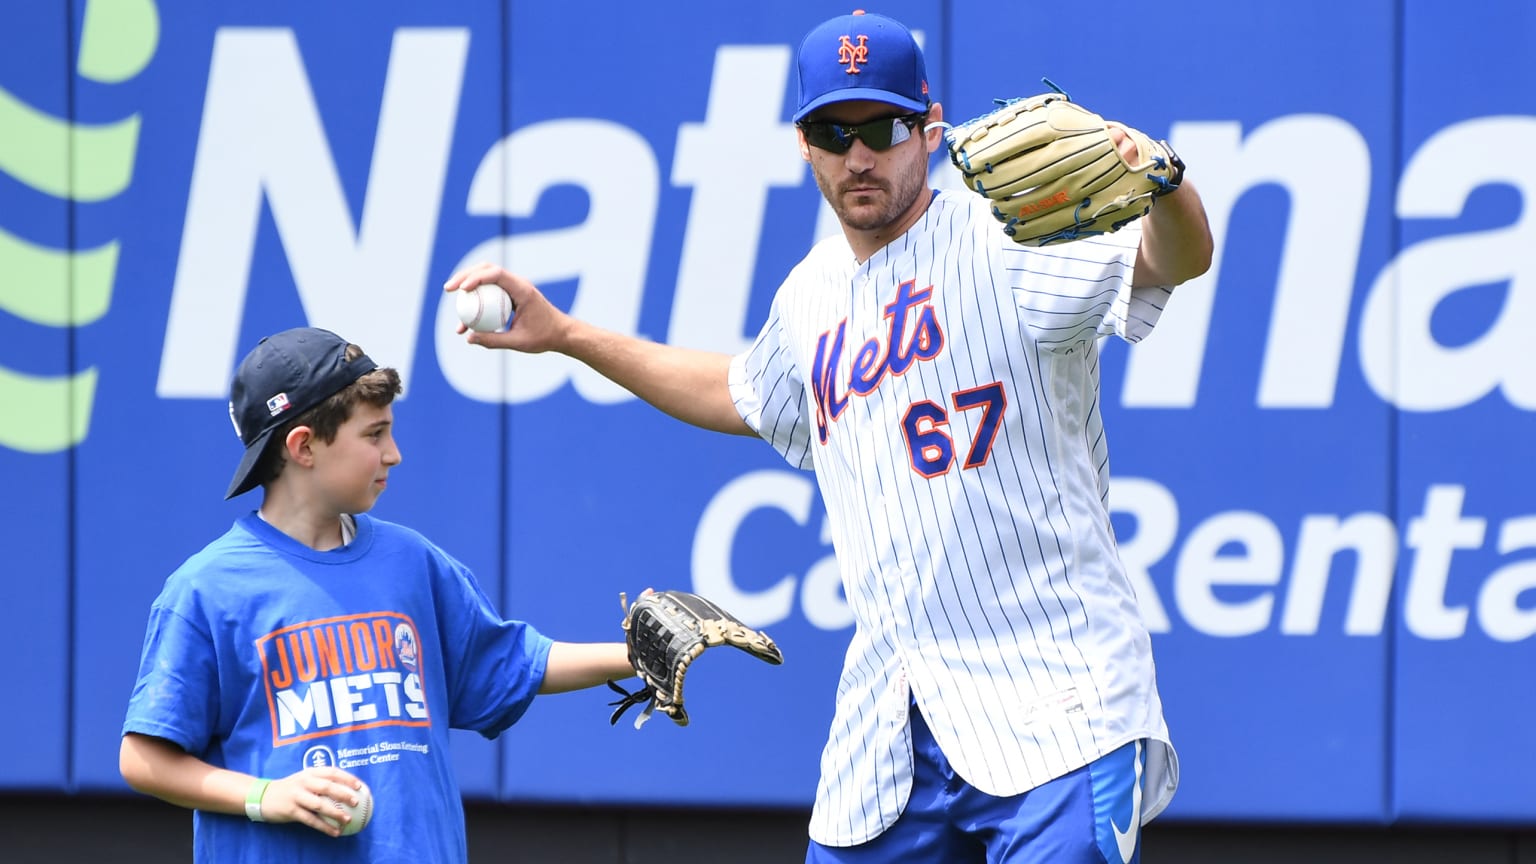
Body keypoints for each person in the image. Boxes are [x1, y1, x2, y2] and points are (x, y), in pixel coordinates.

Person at [444, 9, 1213, 862]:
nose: (859, 155)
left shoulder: (1008, 239)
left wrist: (1164, 180)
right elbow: (738, 392)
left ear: (930, 129)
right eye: (832, 131)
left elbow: (1174, 260)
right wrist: (569, 336)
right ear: (803, 145)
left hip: (1058, 700)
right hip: (892, 723)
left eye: (882, 128)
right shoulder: (810, 296)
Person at [119, 326, 638, 863]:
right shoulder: (206, 589)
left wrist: (636, 657)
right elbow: (143, 758)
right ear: (303, 446)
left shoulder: (411, 561)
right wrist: (265, 796)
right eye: (375, 434)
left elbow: (516, 662)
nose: (394, 454)